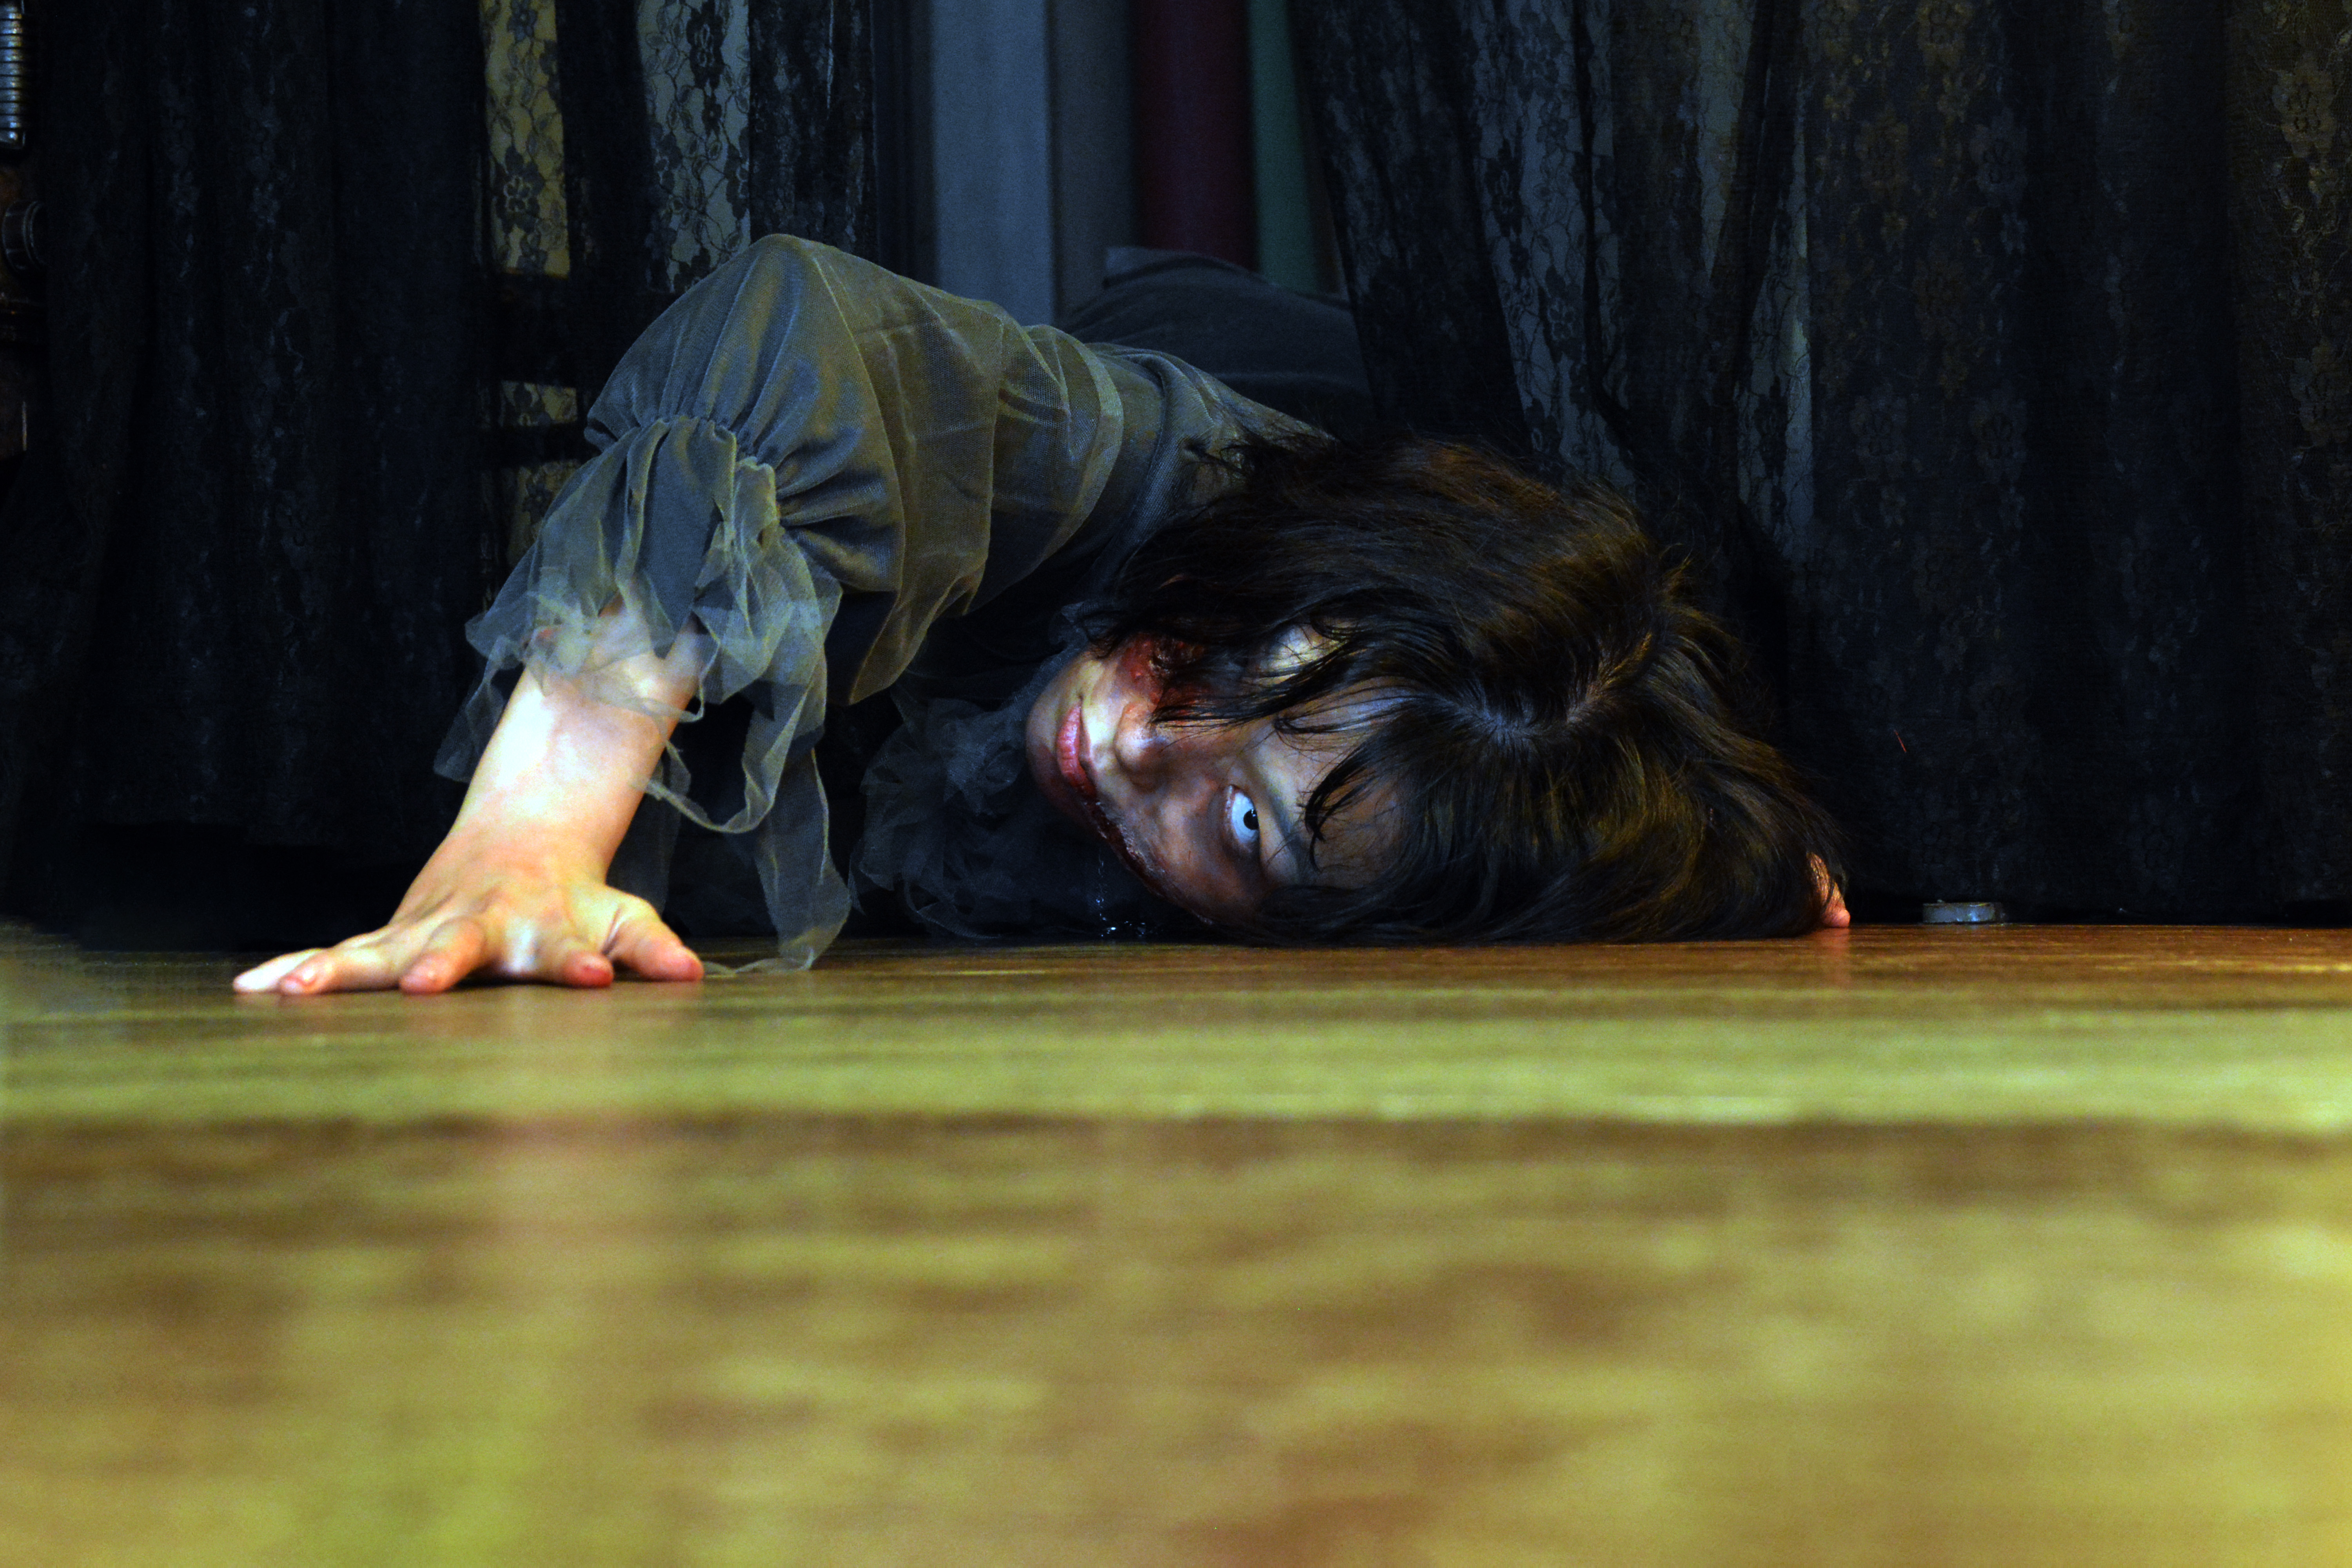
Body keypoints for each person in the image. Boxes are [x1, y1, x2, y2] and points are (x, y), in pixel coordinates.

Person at [234, 236, 1845, 996]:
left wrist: (1733, 873)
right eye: (1229, 663)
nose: (1140, 737)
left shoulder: (1415, 841)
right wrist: (539, 820)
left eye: (1244, 820)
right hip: (1233, 354)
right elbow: (800, 321)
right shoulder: (1165, 483)